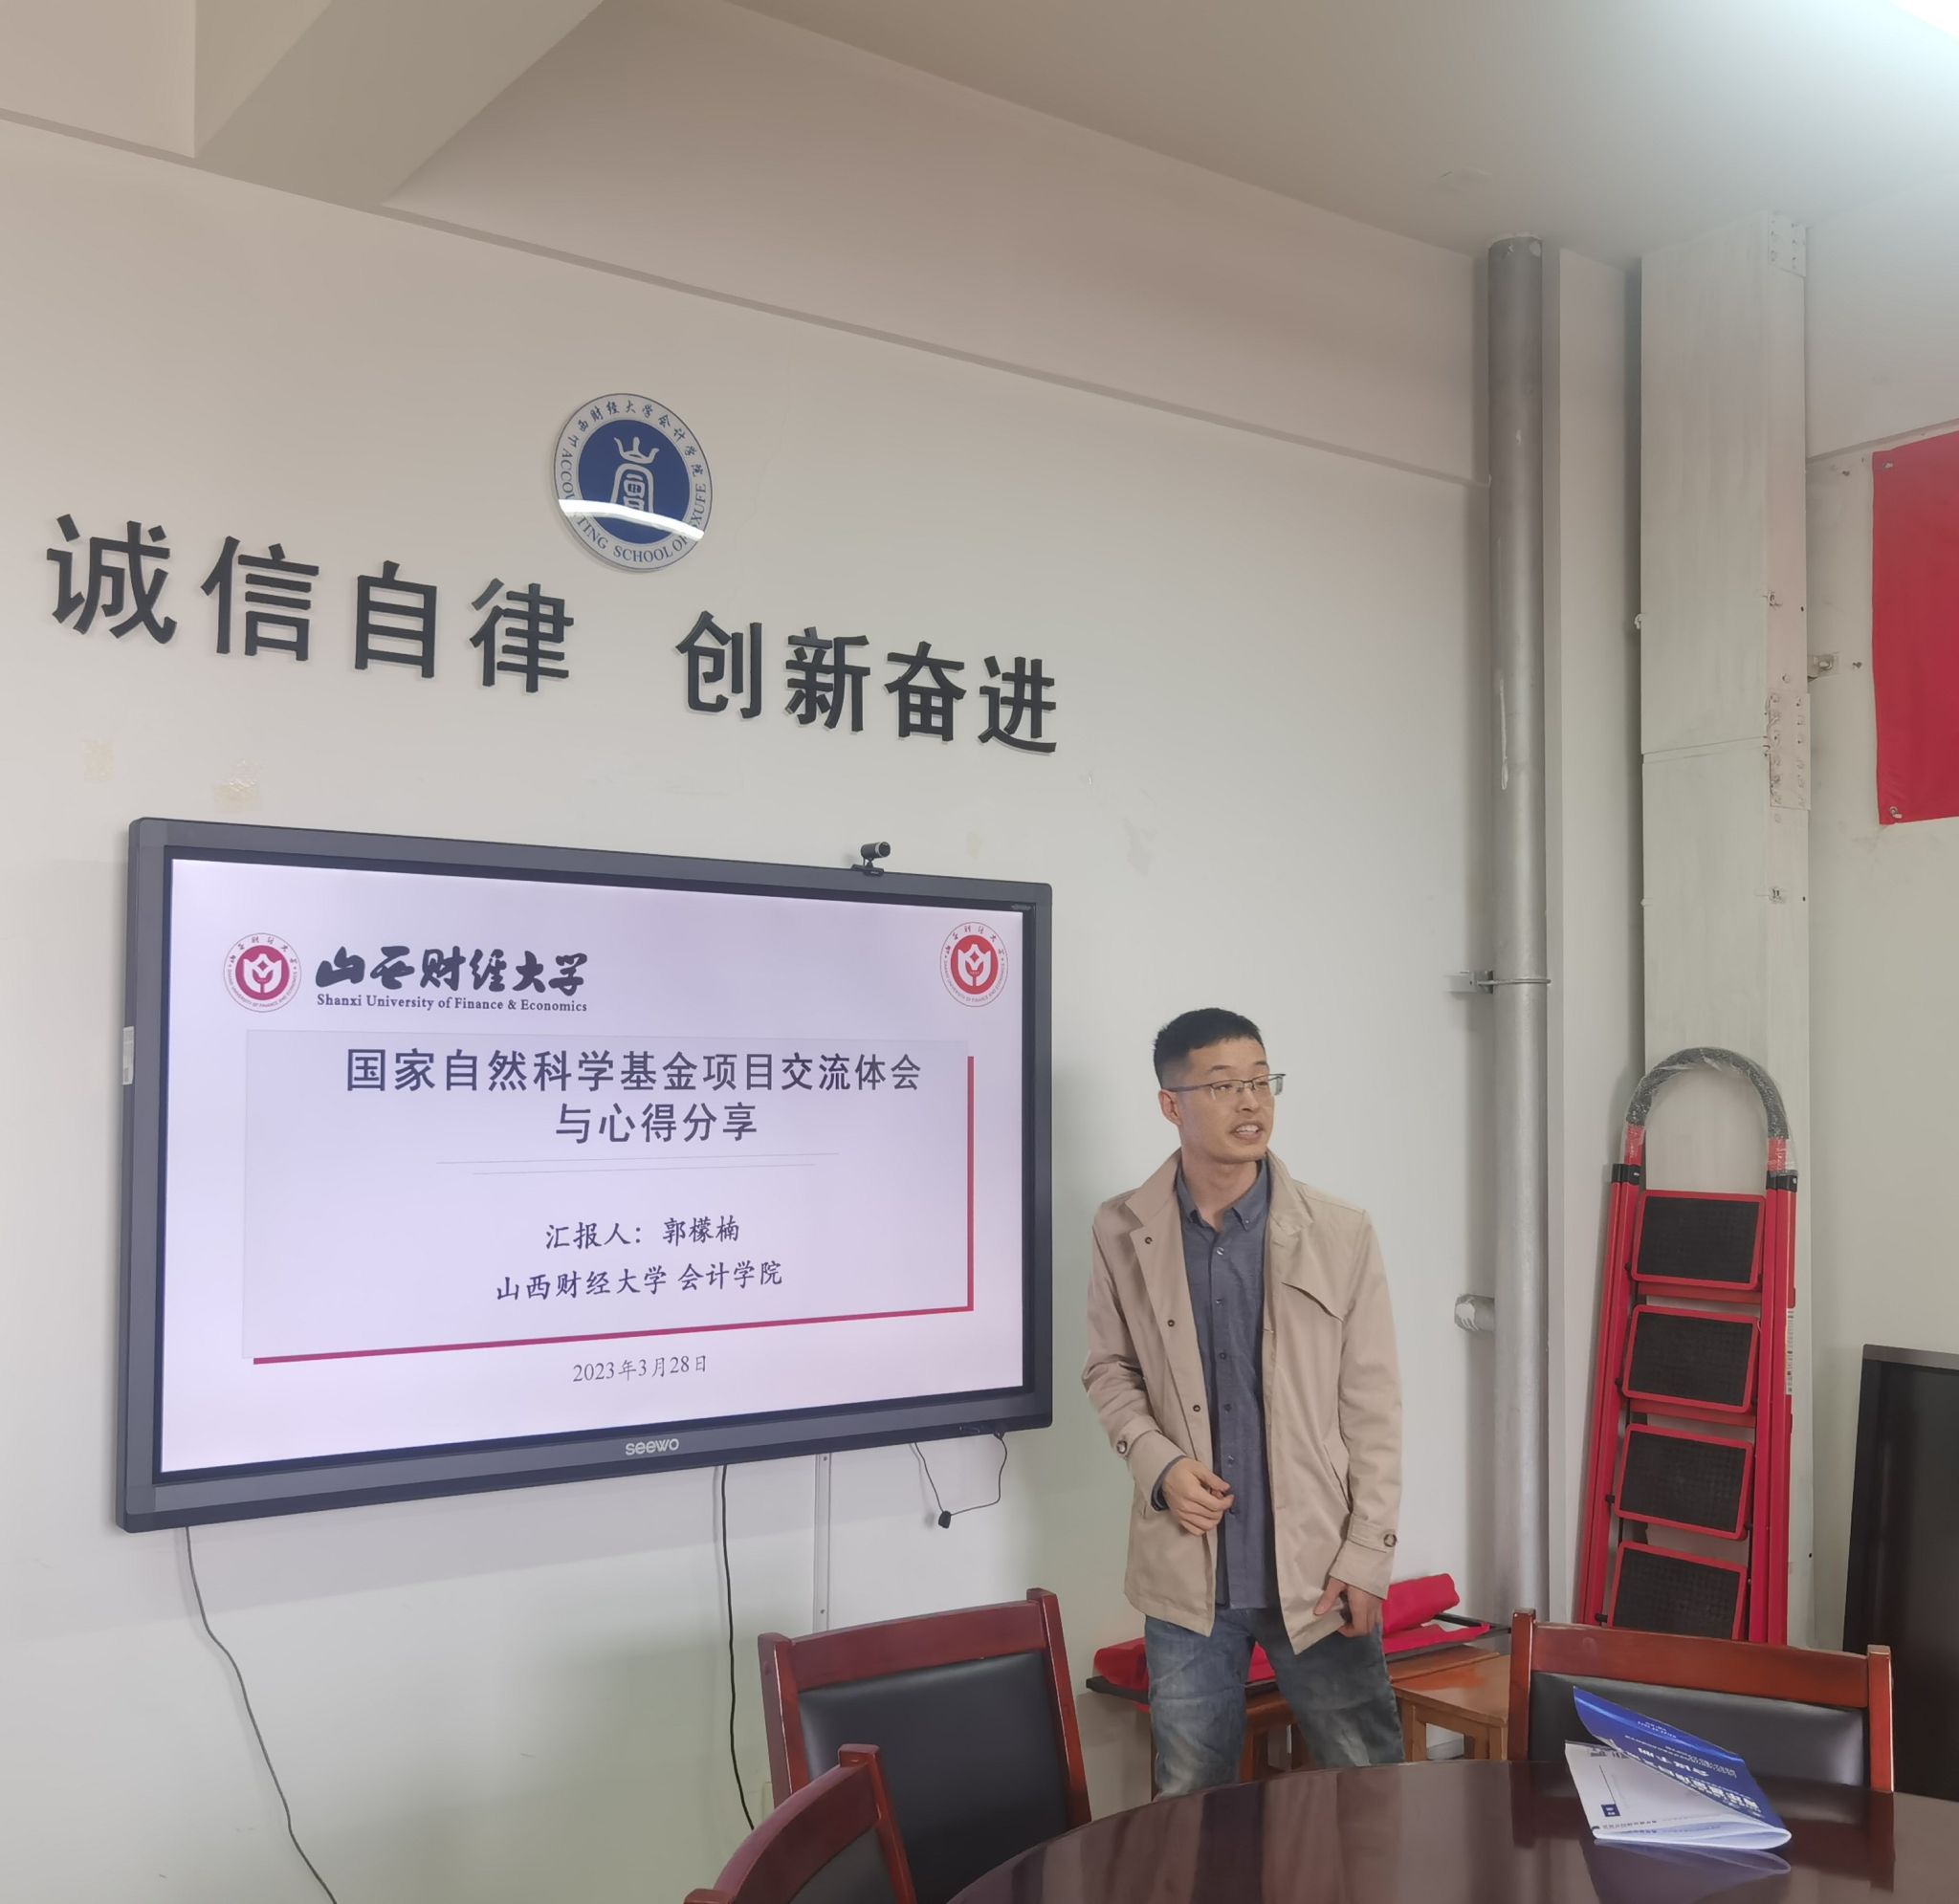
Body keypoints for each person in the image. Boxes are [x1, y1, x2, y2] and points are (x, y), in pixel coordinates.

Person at [1083, 1007, 1404, 1795]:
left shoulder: (1339, 1231)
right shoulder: (1122, 1228)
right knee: (1190, 1799)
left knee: (1370, 1789)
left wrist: (1368, 1553)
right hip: (1187, 1573)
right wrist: (1159, 1464)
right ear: (1172, 1103)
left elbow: (1374, 1403)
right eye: (1224, 1085)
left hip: (1319, 1570)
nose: (1252, 1101)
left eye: (1262, 1080)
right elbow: (1109, 1369)